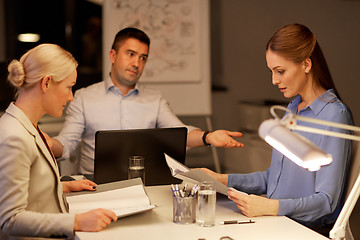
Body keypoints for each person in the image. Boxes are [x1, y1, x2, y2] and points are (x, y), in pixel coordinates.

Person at [202, 23, 353, 235]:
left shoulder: (334, 116)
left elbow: (326, 201)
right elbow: (274, 178)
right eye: (272, 71)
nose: (274, 80)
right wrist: (222, 180)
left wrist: (272, 207)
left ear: (306, 64)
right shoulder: (292, 108)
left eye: (280, 71)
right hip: (276, 223)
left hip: (302, 230)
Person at [50, 27, 244, 175]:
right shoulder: (84, 97)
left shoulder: (154, 99)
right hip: (94, 184)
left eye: (143, 58)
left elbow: (179, 133)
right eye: (131, 54)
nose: (137, 63)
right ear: (113, 55)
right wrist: (47, 143)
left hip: (144, 183)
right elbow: (67, 142)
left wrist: (207, 137)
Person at [0, 44, 117, 239]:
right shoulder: (14, 136)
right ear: (46, 83)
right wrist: (77, 222)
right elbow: (10, 219)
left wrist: (60, 185)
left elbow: (27, 187)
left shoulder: (27, 125)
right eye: (69, 87)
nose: (71, 97)